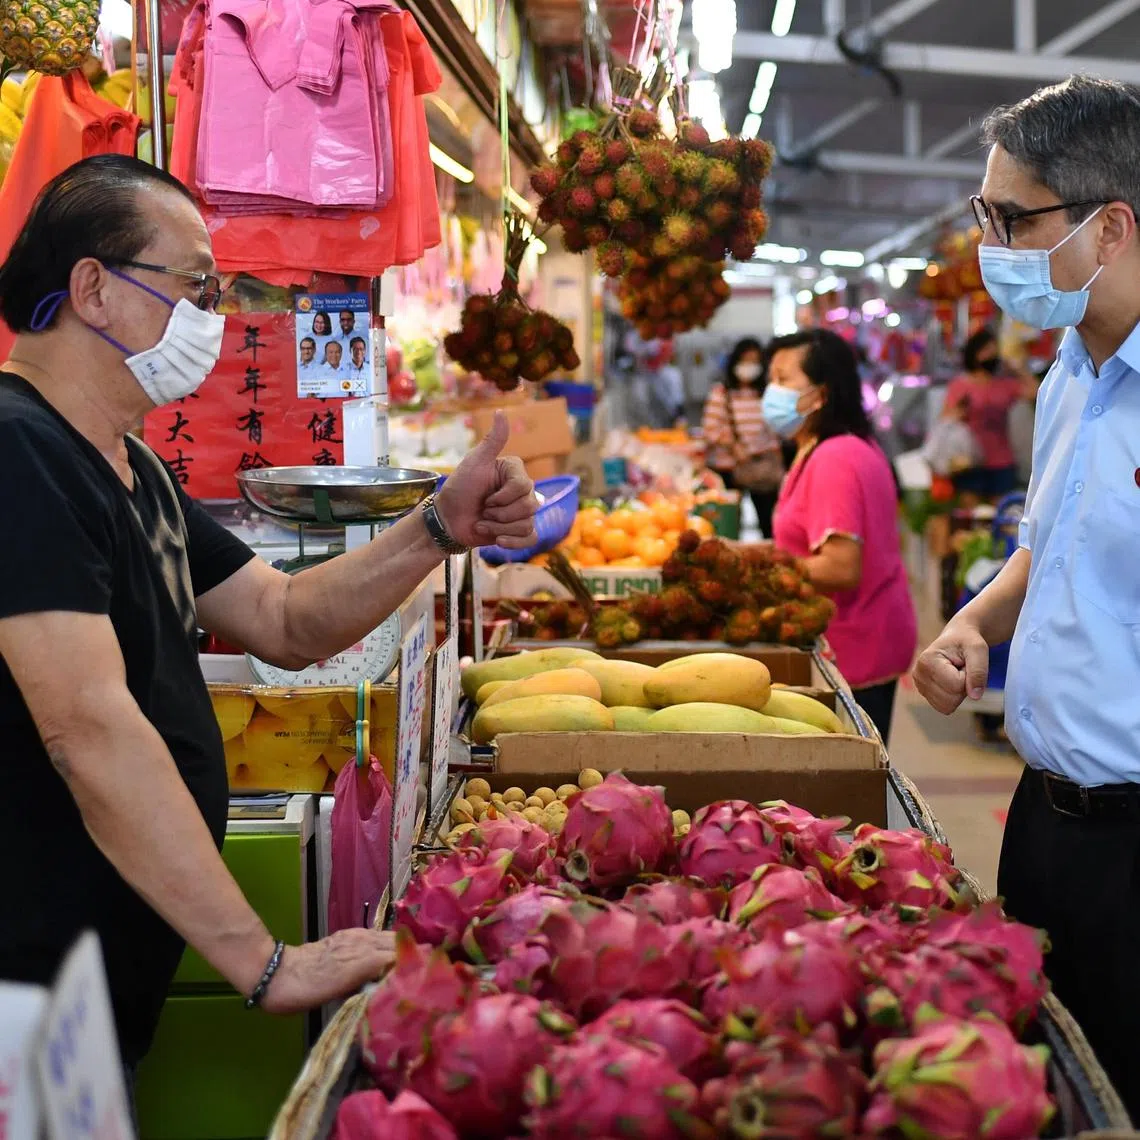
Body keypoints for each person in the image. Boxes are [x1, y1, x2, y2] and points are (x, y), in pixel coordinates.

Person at [0, 156, 537, 1080]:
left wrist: (440, 524)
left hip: (94, 971)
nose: (213, 314)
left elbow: (283, 619)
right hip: (22, 977)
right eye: (195, 285)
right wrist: (262, 958)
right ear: (92, 287)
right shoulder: (19, 451)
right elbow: (85, 729)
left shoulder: (130, 465)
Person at [912, 74, 1140, 1120]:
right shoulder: (1070, 375)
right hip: (1043, 822)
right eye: (983, 214)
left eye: (1013, 219)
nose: (989, 244)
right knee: (1042, 1084)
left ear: (1112, 225)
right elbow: (1039, 548)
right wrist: (970, 624)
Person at [762, 328, 916, 742]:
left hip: (855, 646)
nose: (770, 391)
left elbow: (841, 565)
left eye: (782, 379)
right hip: (856, 637)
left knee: (853, 775)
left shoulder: (836, 458)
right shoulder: (822, 447)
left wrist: (760, 571)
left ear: (820, 393)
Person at [701, 337, 783, 537]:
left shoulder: (766, 394)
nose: (749, 366)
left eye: (754, 361)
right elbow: (710, 430)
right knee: (728, 526)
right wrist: (732, 446)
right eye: (745, 360)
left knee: (768, 523)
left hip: (760, 468)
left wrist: (774, 455)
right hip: (728, 467)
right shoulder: (722, 393)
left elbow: (774, 431)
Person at [941, 327, 1025, 498]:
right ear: (975, 353)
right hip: (969, 461)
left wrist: (1017, 368)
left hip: (1002, 461)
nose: (991, 355)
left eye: (994, 350)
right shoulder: (961, 385)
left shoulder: (1004, 384)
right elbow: (946, 418)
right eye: (986, 350)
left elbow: (1034, 392)